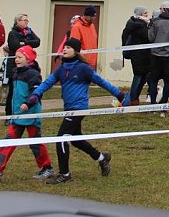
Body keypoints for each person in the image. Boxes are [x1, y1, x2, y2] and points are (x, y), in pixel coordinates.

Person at [21, 38, 126, 185]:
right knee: (76, 140)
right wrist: (34, 95)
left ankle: (65, 174)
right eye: (64, 47)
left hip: (79, 108)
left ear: (75, 51)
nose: (64, 49)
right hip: (69, 108)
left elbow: (101, 81)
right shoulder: (62, 69)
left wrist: (120, 95)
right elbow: (47, 83)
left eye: (68, 47)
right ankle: (102, 158)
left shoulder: (83, 68)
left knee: (61, 138)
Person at [0, 45, 53, 182]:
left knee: (35, 143)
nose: (16, 59)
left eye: (20, 57)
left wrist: (28, 103)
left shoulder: (33, 74)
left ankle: (47, 168)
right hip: (18, 115)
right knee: (8, 142)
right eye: (16, 57)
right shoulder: (16, 72)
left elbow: (37, 93)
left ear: (28, 59)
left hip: (31, 115)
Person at [147, 1, 169, 116]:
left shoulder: (155, 21)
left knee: (153, 80)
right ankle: (164, 103)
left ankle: (153, 105)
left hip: (155, 55)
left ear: (162, 9)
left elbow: (150, 37)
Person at [4, 14, 41, 118]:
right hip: (14, 66)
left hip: (27, 66)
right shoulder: (13, 33)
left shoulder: (29, 31)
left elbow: (37, 42)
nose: (26, 22)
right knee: (12, 91)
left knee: (25, 90)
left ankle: (25, 109)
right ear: (18, 21)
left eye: (27, 20)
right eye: (24, 20)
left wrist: (24, 42)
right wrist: (28, 44)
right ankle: (9, 114)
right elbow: (15, 45)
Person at [121, 7, 151, 105]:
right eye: (145, 13)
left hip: (139, 55)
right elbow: (147, 37)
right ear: (140, 14)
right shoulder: (140, 25)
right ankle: (133, 99)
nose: (147, 14)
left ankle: (134, 98)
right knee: (138, 77)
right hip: (140, 55)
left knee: (141, 77)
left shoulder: (132, 23)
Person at [70, 6, 99, 71]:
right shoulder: (76, 27)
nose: (93, 18)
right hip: (80, 61)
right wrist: (81, 57)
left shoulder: (92, 26)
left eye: (94, 16)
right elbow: (74, 45)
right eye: (91, 17)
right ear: (86, 16)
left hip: (91, 61)